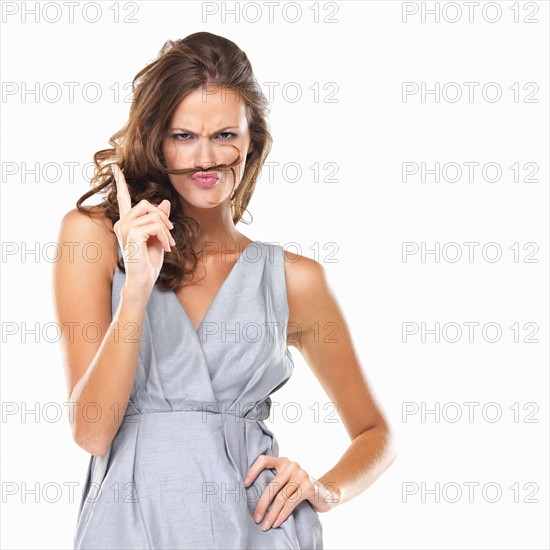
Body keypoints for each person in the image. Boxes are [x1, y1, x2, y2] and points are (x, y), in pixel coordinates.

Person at [53, 31, 397, 549]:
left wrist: (324, 490)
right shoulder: (93, 236)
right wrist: (138, 289)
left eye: (225, 135)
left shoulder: (292, 278)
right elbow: (93, 433)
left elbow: (377, 434)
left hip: (255, 530)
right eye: (183, 135)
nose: (205, 158)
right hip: (130, 527)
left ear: (252, 139)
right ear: (157, 139)